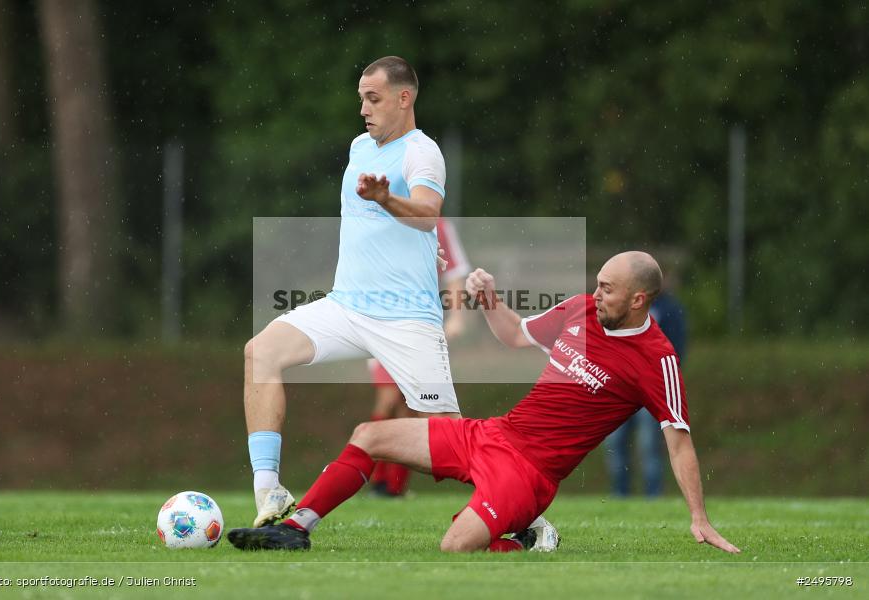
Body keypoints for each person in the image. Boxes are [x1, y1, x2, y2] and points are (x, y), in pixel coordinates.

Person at [227, 252, 741, 555]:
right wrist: (489, 298)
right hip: (494, 434)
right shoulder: (581, 311)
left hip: (531, 474)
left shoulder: (657, 359)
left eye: (608, 289)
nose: (596, 293)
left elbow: (678, 443)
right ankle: (296, 530)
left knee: (453, 548)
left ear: (638, 300)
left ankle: (526, 539)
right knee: (369, 435)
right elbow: (516, 337)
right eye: (597, 284)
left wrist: (698, 517)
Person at [242, 56, 462, 529]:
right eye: (361, 97)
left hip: (406, 318)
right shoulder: (360, 146)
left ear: (404, 98)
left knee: (451, 440)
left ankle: (523, 512)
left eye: (373, 98)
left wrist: (389, 202)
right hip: (346, 306)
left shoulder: (422, 152)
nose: (363, 107)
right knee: (261, 351)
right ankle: (270, 491)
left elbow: (427, 214)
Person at [368, 216, 471, 497]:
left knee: (409, 407)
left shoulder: (439, 226)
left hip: (419, 327)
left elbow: (455, 273)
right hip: (382, 324)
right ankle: (372, 474)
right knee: (389, 399)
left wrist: (457, 318)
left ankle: (392, 486)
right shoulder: (380, 223)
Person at [603, 283, 688, 497]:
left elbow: (677, 347)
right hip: (618, 388)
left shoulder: (668, 309)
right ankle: (620, 494)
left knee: (649, 445)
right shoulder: (620, 307)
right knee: (615, 444)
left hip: (650, 389)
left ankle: (653, 495)